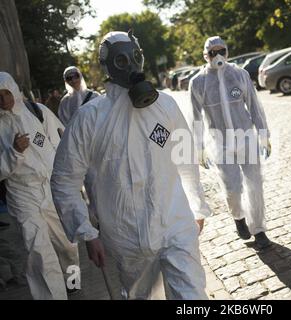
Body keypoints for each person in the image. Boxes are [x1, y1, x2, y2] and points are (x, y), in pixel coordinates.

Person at [51, 31, 211, 300]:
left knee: (191, 295)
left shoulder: (165, 105)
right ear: (107, 66)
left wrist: (197, 206)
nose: (132, 65)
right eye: (122, 60)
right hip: (127, 237)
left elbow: (186, 159)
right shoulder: (89, 119)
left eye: (135, 57)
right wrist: (87, 234)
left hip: (175, 224)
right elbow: (64, 180)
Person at [0, 72, 80, 300]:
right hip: (23, 195)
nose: (4, 100)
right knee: (40, 254)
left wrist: (72, 181)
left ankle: (73, 282)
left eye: (7, 93)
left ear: (15, 91)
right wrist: (13, 153)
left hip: (52, 190)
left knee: (68, 245)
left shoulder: (38, 112)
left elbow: (64, 143)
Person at [189, 36, 272, 250]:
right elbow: (195, 117)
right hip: (220, 144)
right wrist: (198, 148)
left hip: (246, 138)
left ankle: (259, 230)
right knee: (232, 187)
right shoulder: (198, 82)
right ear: (205, 55)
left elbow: (254, 106)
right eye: (212, 52)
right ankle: (238, 218)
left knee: (255, 185)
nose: (218, 56)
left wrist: (263, 135)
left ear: (227, 51)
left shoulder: (240, 75)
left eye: (221, 51)